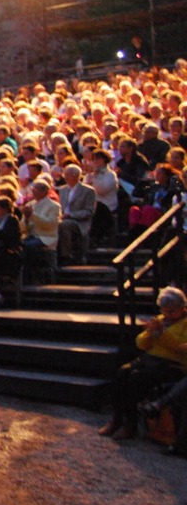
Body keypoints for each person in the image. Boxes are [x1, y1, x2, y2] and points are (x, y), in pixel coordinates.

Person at [99, 287, 187, 439]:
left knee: (137, 379)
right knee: (122, 372)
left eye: (172, 311)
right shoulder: (161, 320)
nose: (168, 314)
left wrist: (163, 334)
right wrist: (149, 334)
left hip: (173, 363)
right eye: (165, 310)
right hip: (151, 358)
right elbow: (140, 344)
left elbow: (181, 347)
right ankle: (117, 418)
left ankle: (131, 423)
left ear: (182, 308)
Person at [56, 164, 97, 266]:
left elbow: (89, 211)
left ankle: (66, 256)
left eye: (67, 175)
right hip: (62, 218)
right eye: (65, 174)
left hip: (80, 222)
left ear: (75, 175)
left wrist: (70, 215)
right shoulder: (62, 190)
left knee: (64, 225)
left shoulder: (88, 191)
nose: (65, 177)